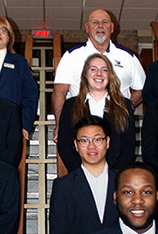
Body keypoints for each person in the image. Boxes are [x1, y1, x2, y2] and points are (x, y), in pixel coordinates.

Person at [52, 8, 145, 140]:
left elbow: (141, 90)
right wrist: (60, 124)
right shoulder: (71, 56)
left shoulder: (128, 58)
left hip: (116, 125)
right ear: (87, 28)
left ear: (112, 28)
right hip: (80, 123)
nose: (100, 26)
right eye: (95, 22)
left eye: (105, 22)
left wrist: (123, 108)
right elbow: (59, 92)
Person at [50, 115, 118, 234]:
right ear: (76, 145)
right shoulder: (63, 186)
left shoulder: (124, 182)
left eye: (97, 139)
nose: (91, 146)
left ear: (107, 142)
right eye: (84, 141)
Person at [56, 53, 136, 172]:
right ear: (85, 74)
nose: (99, 74)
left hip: (115, 174)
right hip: (80, 175)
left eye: (104, 70)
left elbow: (128, 145)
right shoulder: (70, 105)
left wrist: (115, 174)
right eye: (93, 69)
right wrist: (80, 172)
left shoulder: (124, 105)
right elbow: (64, 144)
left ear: (110, 75)